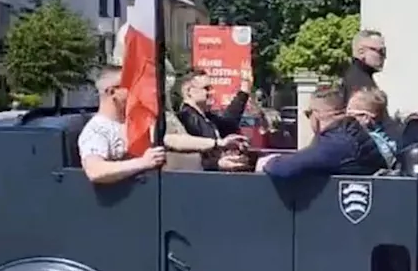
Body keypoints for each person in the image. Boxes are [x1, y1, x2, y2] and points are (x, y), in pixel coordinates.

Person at [77, 66, 241, 183]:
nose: (137, 91)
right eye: (130, 86)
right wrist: (143, 162)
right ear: (112, 92)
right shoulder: (97, 130)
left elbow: (170, 140)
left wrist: (217, 144)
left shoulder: (133, 123)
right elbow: (95, 170)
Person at [254, 87, 387, 179]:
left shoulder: (338, 141)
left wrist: (264, 163)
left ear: (316, 115)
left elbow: (286, 168)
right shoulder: (348, 133)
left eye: (308, 114)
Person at [175, 70, 252, 171]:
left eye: (211, 88)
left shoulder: (207, 118)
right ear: (189, 91)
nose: (211, 92)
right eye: (206, 88)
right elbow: (190, 156)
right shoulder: (185, 118)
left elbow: (229, 123)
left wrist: (244, 91)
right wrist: (217, 163)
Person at [346, 86, 398, 168]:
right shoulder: (388, 136)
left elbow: (387, 162)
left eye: (350, 116)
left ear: (366, 118)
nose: (346, 120)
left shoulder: (376, 141)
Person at [341, 29, 386, 102]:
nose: (384, 56)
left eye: (384, 51)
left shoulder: (356, 75)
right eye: (380, 51)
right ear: (361, 52)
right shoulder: (360, 83)